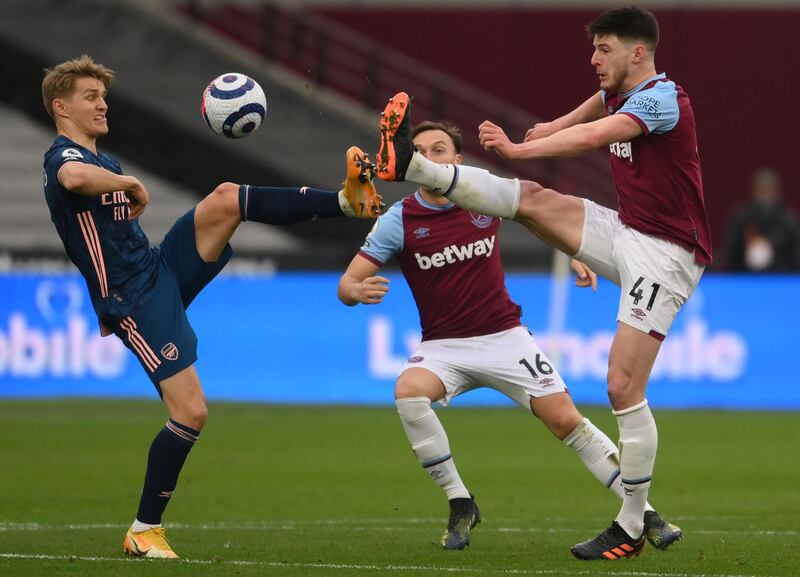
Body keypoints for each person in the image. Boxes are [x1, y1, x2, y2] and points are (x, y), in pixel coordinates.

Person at [373, 6, 709, 560]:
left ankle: (631, 523)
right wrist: (550, 126)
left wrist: (521, 148)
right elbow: (589, 112)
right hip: (629, 231)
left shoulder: (662, 99)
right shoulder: (618, 91)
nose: (593, 58)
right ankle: (413, 166)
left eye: (604, 49)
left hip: (667, 256)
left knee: (623, 388)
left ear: (638, 52)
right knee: (530, 200)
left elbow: (597, 134)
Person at [41, 55, 383, 558]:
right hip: (130, 298)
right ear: (60, 106)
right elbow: (73, 180)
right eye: (90, 96)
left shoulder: (104, 160)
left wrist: (119, 179)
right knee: (192, 411)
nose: (102, 103)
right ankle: (143, 529)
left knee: (225, 198)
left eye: (102, 95)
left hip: (157, 270)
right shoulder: (61, 158)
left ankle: (344, 202)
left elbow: (95, 186)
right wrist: (131, 184)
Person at [342, 120, 681, 551]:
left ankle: (645, 514)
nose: (429, 157)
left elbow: (537, 213)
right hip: (443, 346)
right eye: (421, 151)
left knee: (565, 420)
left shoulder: (479, 198)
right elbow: (347, 282)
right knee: (408, 393)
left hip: (506, 337)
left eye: (439, 150)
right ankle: (460, 501)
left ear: (457, 161)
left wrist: (577, 254)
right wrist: (353, 290)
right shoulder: (400, 219)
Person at [722, 167, 800, 272]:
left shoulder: (787, 220)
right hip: (745, 278)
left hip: (781, 278)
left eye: (769, 190)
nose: (765, 195)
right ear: (754, 191)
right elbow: (729, 252)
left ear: (777, 192)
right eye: (762, 190)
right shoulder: (742, 217)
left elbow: (796, 253)